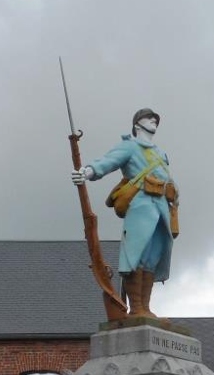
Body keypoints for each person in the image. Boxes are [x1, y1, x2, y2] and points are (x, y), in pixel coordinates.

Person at [71, 108, 178, 320]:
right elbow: (108, 162)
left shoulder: (160, 153)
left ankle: (146, 309)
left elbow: (167, 178)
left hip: (162, 209)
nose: (154, 121)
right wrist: (87, 172)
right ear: (137, 124)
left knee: (152, 258)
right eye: (149, 118)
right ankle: (136, 309)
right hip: (141, 206)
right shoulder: (129, 146)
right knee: (135, 257)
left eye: (155, 119)